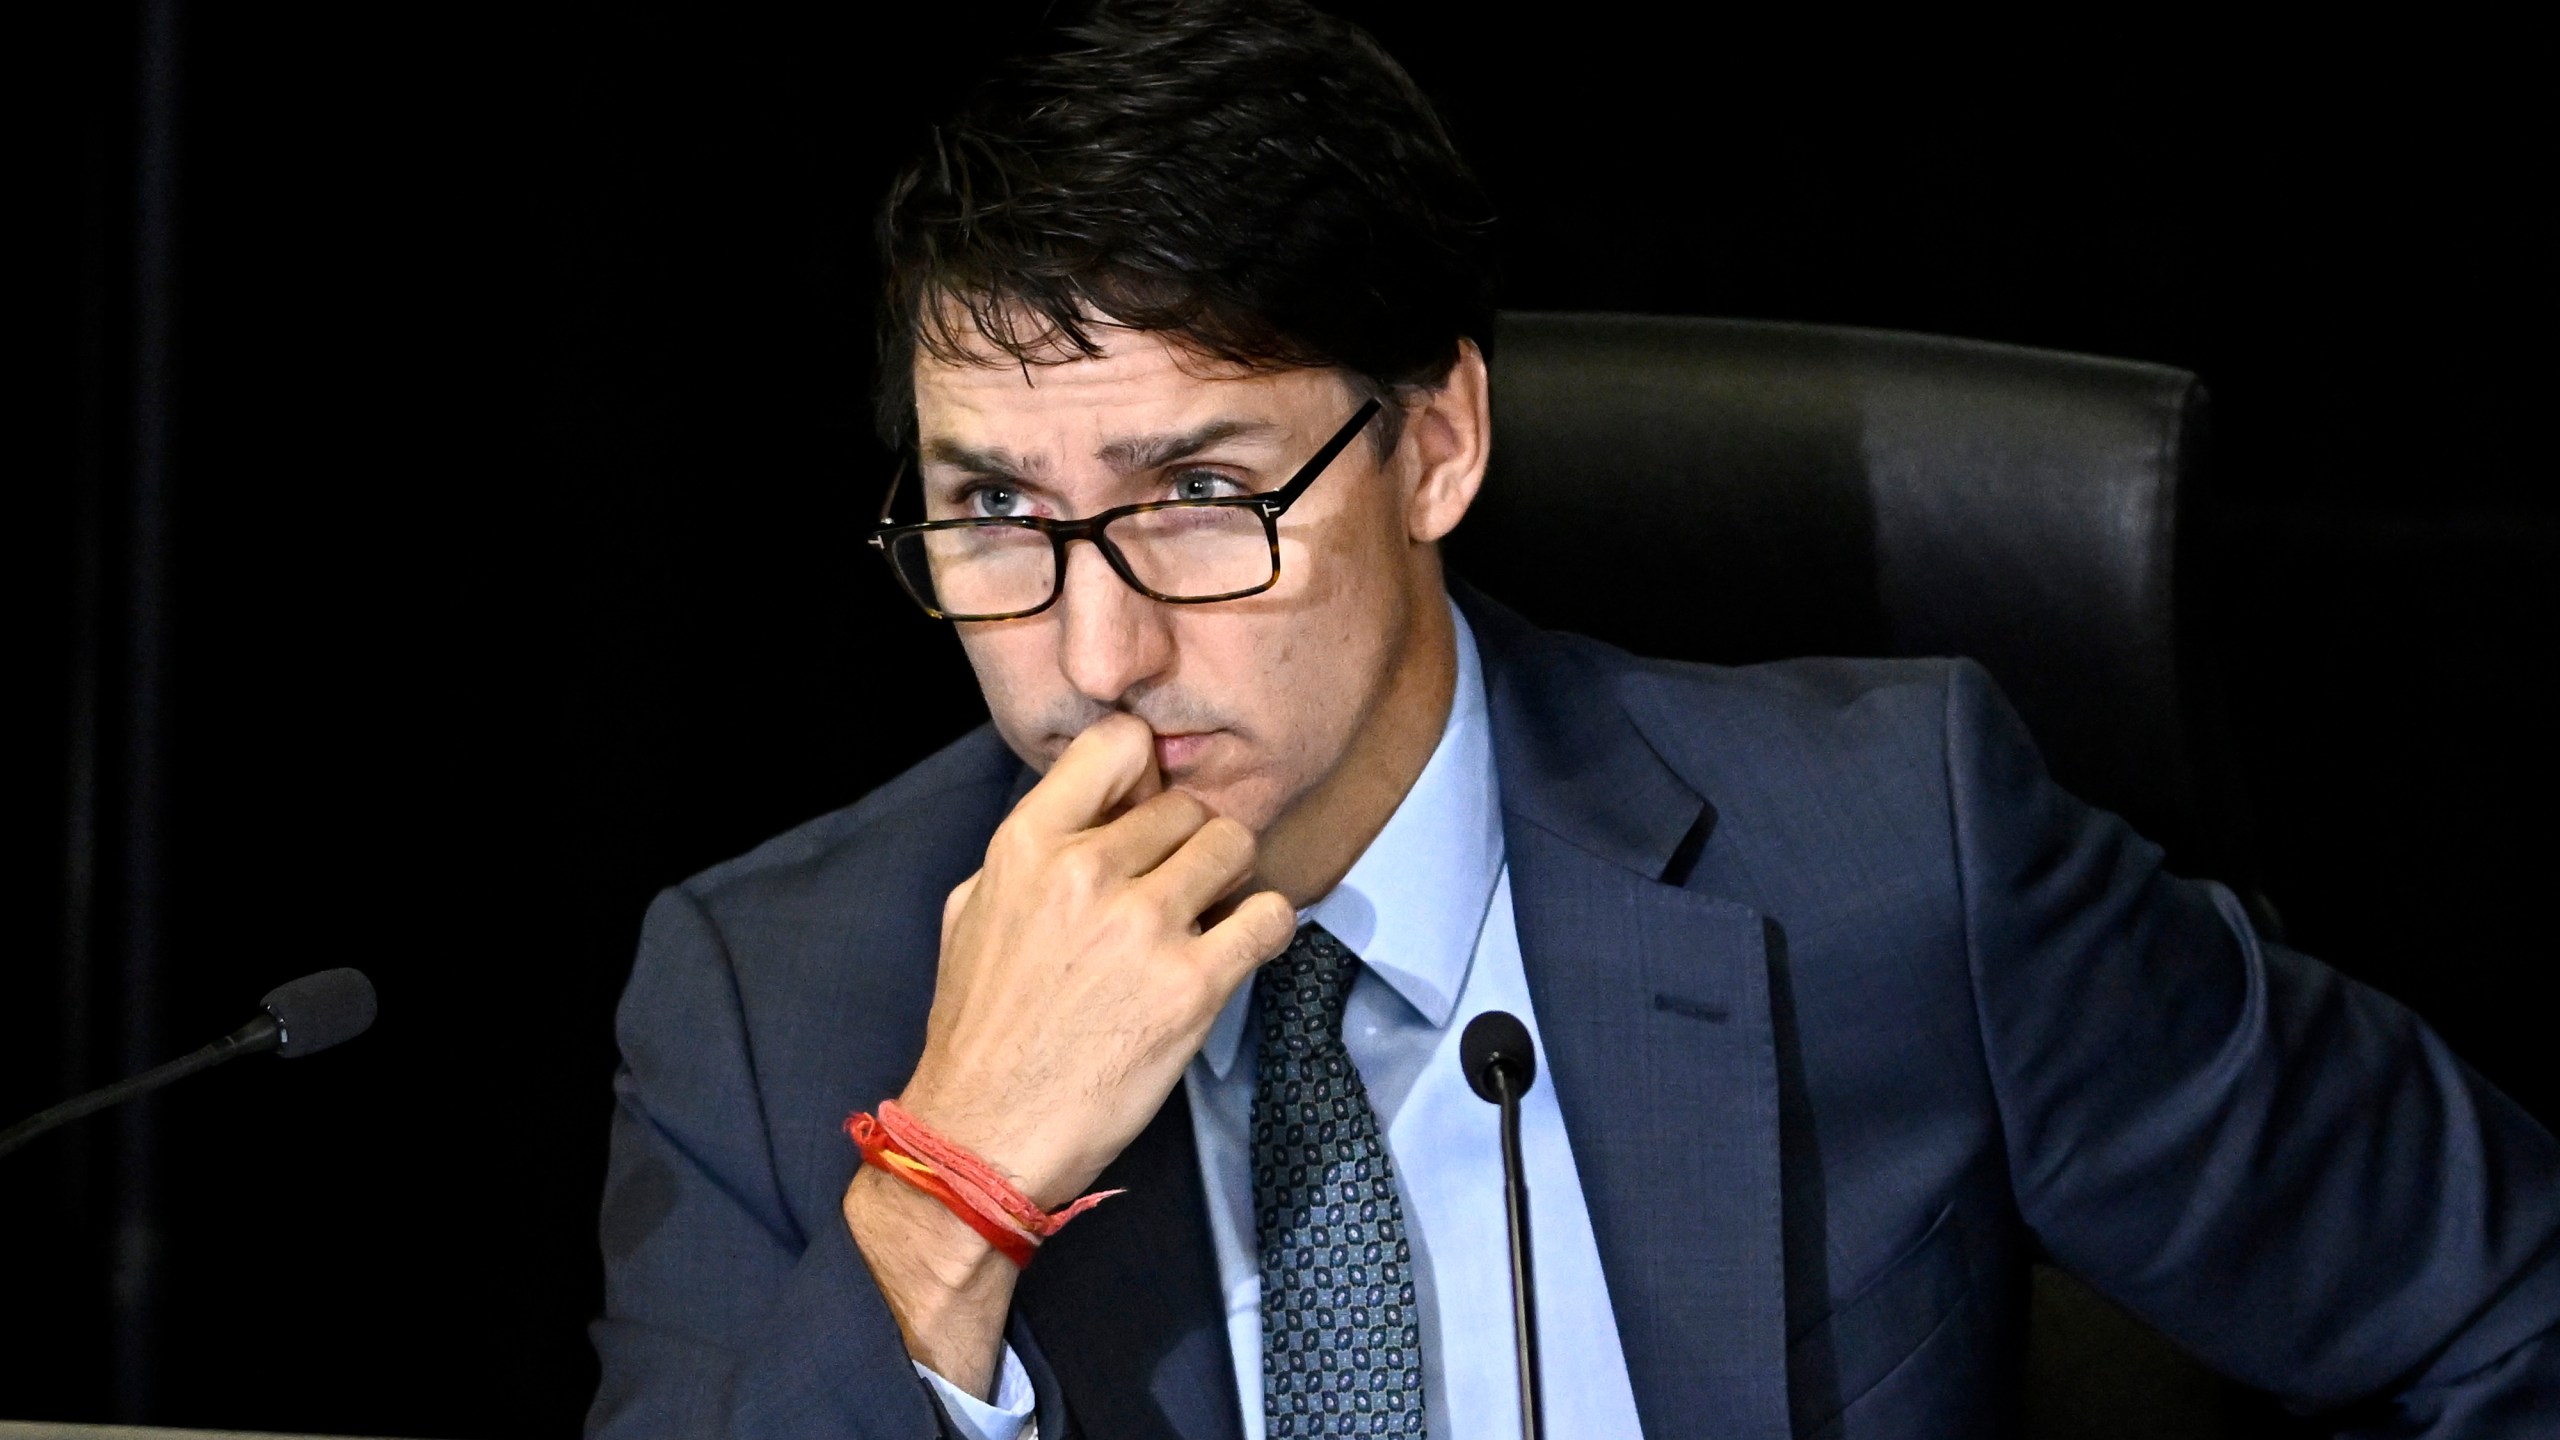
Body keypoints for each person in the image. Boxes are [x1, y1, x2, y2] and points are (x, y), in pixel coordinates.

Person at [585, 3, 2560, 1436]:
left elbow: (2494, 1306)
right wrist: (948, 1198)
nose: (1090, 652)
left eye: (1199, 497)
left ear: (1433, 441)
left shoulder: (1891, 856)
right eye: (993, 515)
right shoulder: (772, 997)